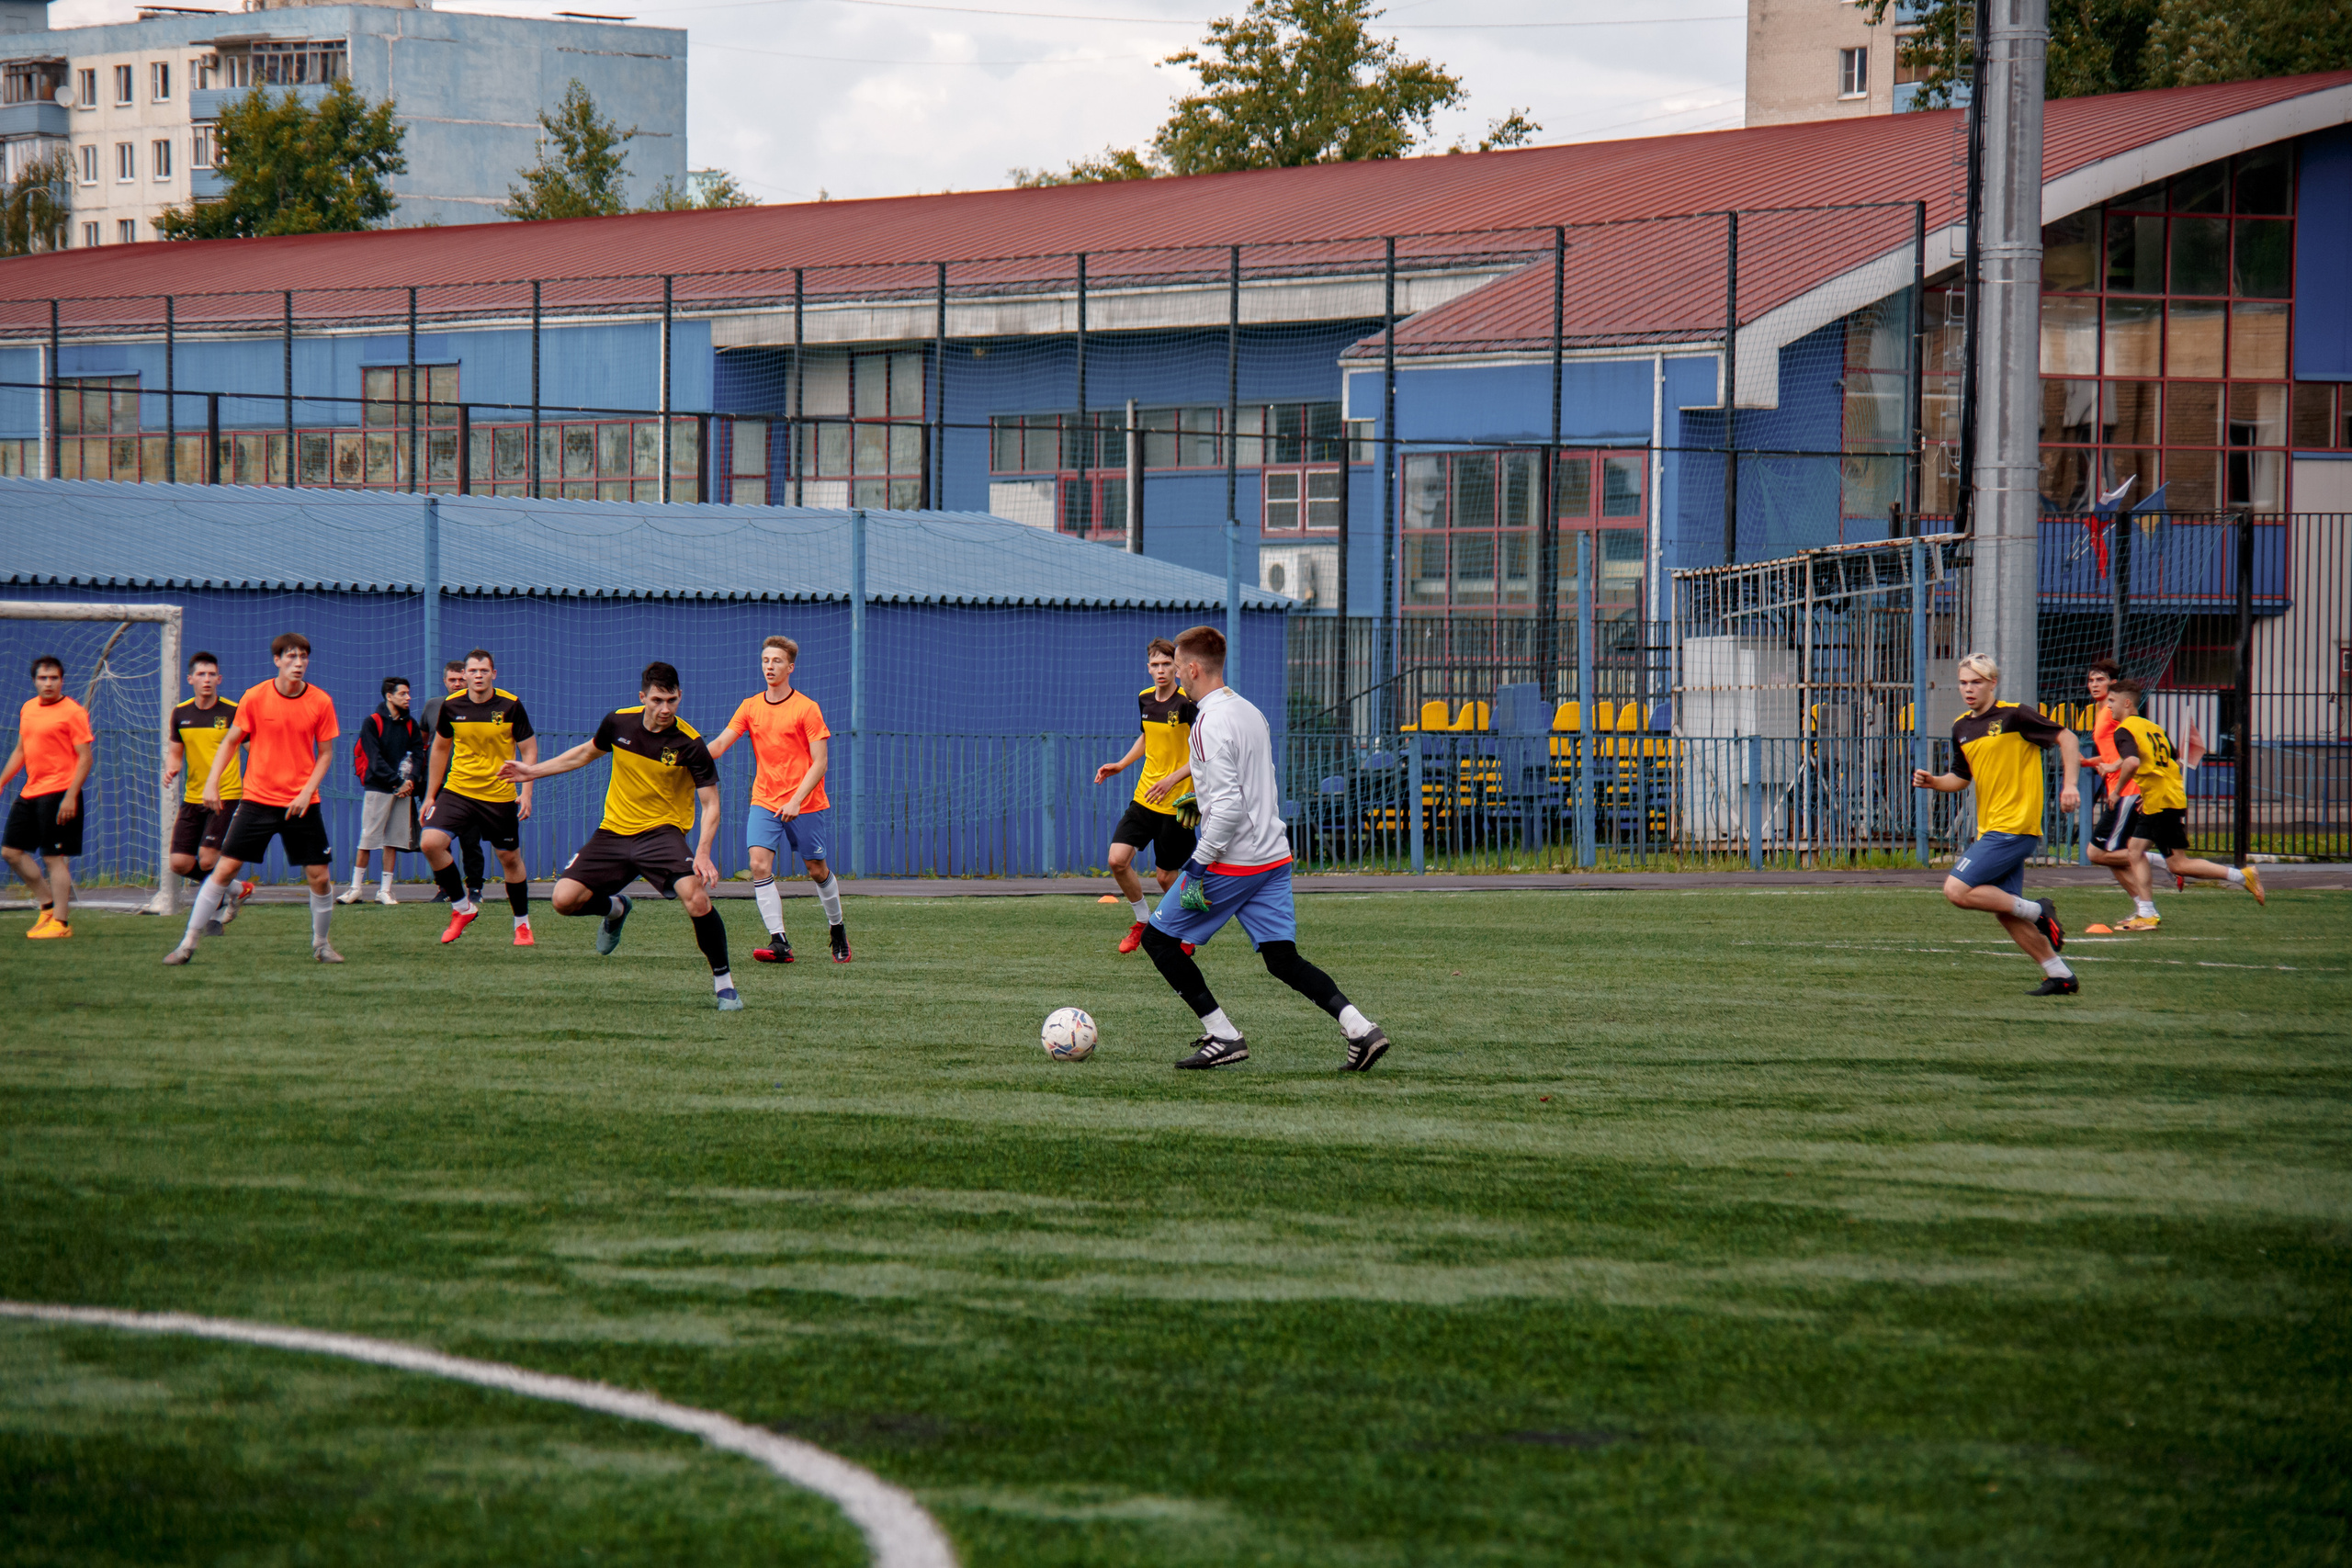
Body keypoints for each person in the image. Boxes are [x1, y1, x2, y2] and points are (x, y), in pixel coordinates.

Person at [1136, 625, 1390, 1071]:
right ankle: (1360, 1028)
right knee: (1281, 957)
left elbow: (1232, 808)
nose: (1174, 676)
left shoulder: (1205, 723)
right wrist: (1203, 800)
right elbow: (1250, 786)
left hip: (1234, 861)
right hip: (1273, 855)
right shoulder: (1251, 711)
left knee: (1158, 939)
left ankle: (1223, 1036)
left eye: (1176, 668)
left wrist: (1197, 865)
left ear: (1192, 669)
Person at [497, 661, 741, 1010]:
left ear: (680, 696)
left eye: (671, 700)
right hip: (613, 831)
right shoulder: (618, 722)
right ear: (642, 697)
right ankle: (615, 908)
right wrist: (531, 771)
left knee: (696, 897)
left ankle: (724, 985)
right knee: (563, 901)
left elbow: (711, 804)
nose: (665, 709)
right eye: (657, 700)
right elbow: (584, 754)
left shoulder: (689, 744)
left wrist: (702, 852)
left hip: (662, 833)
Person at [1911, 652, 2085, 996]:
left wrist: (2070, 784)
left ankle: (2038, 910)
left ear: (1993, 682)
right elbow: (1961, 779)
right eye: (1963, 682)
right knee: (2006, 912)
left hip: (2016, 825)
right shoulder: (1961, 727)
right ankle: (2060, 975)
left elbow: (2069, 738)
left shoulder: (2014, 715)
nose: (1969, 689)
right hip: (1991, 828)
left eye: (1976, 682)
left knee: (1956, 890)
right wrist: (1933, 781)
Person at [164, 632, 343, 965]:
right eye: (291, 657)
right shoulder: (255, 697)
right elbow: (230, 742)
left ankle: (322, 945)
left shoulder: (321, 701)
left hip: (302, 804)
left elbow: (326, 753)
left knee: (318, 876)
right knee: (223, 870)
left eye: (303, 657)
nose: (298, 663)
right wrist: (212, 783)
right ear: (277, 660)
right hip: (258, 800)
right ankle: (187, 943)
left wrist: (306, 792)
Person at [707, 634, 850, 964]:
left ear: (791, 667)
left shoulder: (807, 708)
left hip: (805, 803)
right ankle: (779, 942)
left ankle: (837, 927)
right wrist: (681, 756)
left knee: (816, 869)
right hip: (765, 800)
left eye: (777, 661)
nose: (769, 666)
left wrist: (797, 799)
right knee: (758, 864)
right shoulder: (750, 706)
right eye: (765, 661)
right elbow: (718, 746)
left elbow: (821, 762)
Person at [2103, 678, 2265, 911]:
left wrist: (2118, 792)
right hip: (2164, 797)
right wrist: (2145, 791)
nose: (2108, 706)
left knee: (2178, 864)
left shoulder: (2123, 730)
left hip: (2161, 802)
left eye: (2112, 700)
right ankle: (2146, 911)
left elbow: (2132, 762)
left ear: (2127, 703)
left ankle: (2242, 876)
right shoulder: (2153, 728)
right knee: (2135, 850)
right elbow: (2173, 761)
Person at [420, 649, 537, 946]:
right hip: (459, 790)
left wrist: (526, 792)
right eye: (473, 671)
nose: (478, 676)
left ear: (493, 674)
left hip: (498, 794)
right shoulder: (450, 706)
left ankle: (522, 925)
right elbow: (440, 749)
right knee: (430, 843)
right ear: (465, 675)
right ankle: (462, 908)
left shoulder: (511, 705)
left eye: (484, 671)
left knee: (509, 858)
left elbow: (530, 750)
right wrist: (430, 796)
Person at [1093, 637, 1197, 955]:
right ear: (1148, 668)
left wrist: (1172, 780)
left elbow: (1202, 752)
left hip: (1180, 803)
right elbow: (1146, 736)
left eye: (1168, 664)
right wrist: (1122, 764)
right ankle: (1142, 921)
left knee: (1166, 877)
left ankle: (1185, 928)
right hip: (1145, 797)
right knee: (1117, 860)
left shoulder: (1187, 703)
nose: (1162, 670)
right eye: (1156, 664)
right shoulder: (1144, 699)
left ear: (1177, 668)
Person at [2, 653, 94, 939]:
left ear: (62, 681)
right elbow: (21, 749)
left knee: (54, 858)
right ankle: (48, 907)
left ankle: (61, 924)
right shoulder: (28, 708)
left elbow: (85, 757)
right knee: (11, 852)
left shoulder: (73, 712)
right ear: (34, 681)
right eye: (43, 678)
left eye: (54, 678)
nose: (49, 683)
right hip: (31, 791)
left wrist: (71, 795)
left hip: (60, 793)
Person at [2080, 656, 2172, 930]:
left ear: (2114, 684)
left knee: (2096, 854)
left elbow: (2133, 751)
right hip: (2118, 788)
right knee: (2112, 857)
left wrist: (2119, 772)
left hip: (2127, 790)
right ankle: (2145, 910)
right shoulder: (2103, 711)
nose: (2094, 684)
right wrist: (2086, 762)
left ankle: (2155, 859)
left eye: (2100, 680)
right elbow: (2113, 753)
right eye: (2091, 680)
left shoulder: (2114, 712)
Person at [339, 676, 430, 906]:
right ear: (389, 696)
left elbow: (418, 754)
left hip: (403, 791)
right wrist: (395, 781)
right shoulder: (373, 721)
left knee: (393, 841)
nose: (408, 698)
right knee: (368, 839)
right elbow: (373, 758)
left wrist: (409, 780)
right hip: (378, 788)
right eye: (402, 694)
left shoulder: (411, 724)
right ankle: (355, 888)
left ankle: (385, 891)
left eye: (408, 693)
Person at [417, 660, 485, 903]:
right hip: (438, 786)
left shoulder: (480, 707)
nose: (457, 684)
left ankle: (475, 888)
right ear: (444, 681)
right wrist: (422, 782)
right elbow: (422, 742)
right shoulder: (433, 706)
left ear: (467, 678)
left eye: (460, 679)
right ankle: (445, 888)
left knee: (470, 841)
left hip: (469, 786)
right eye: (452, 680)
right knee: (436, 839)